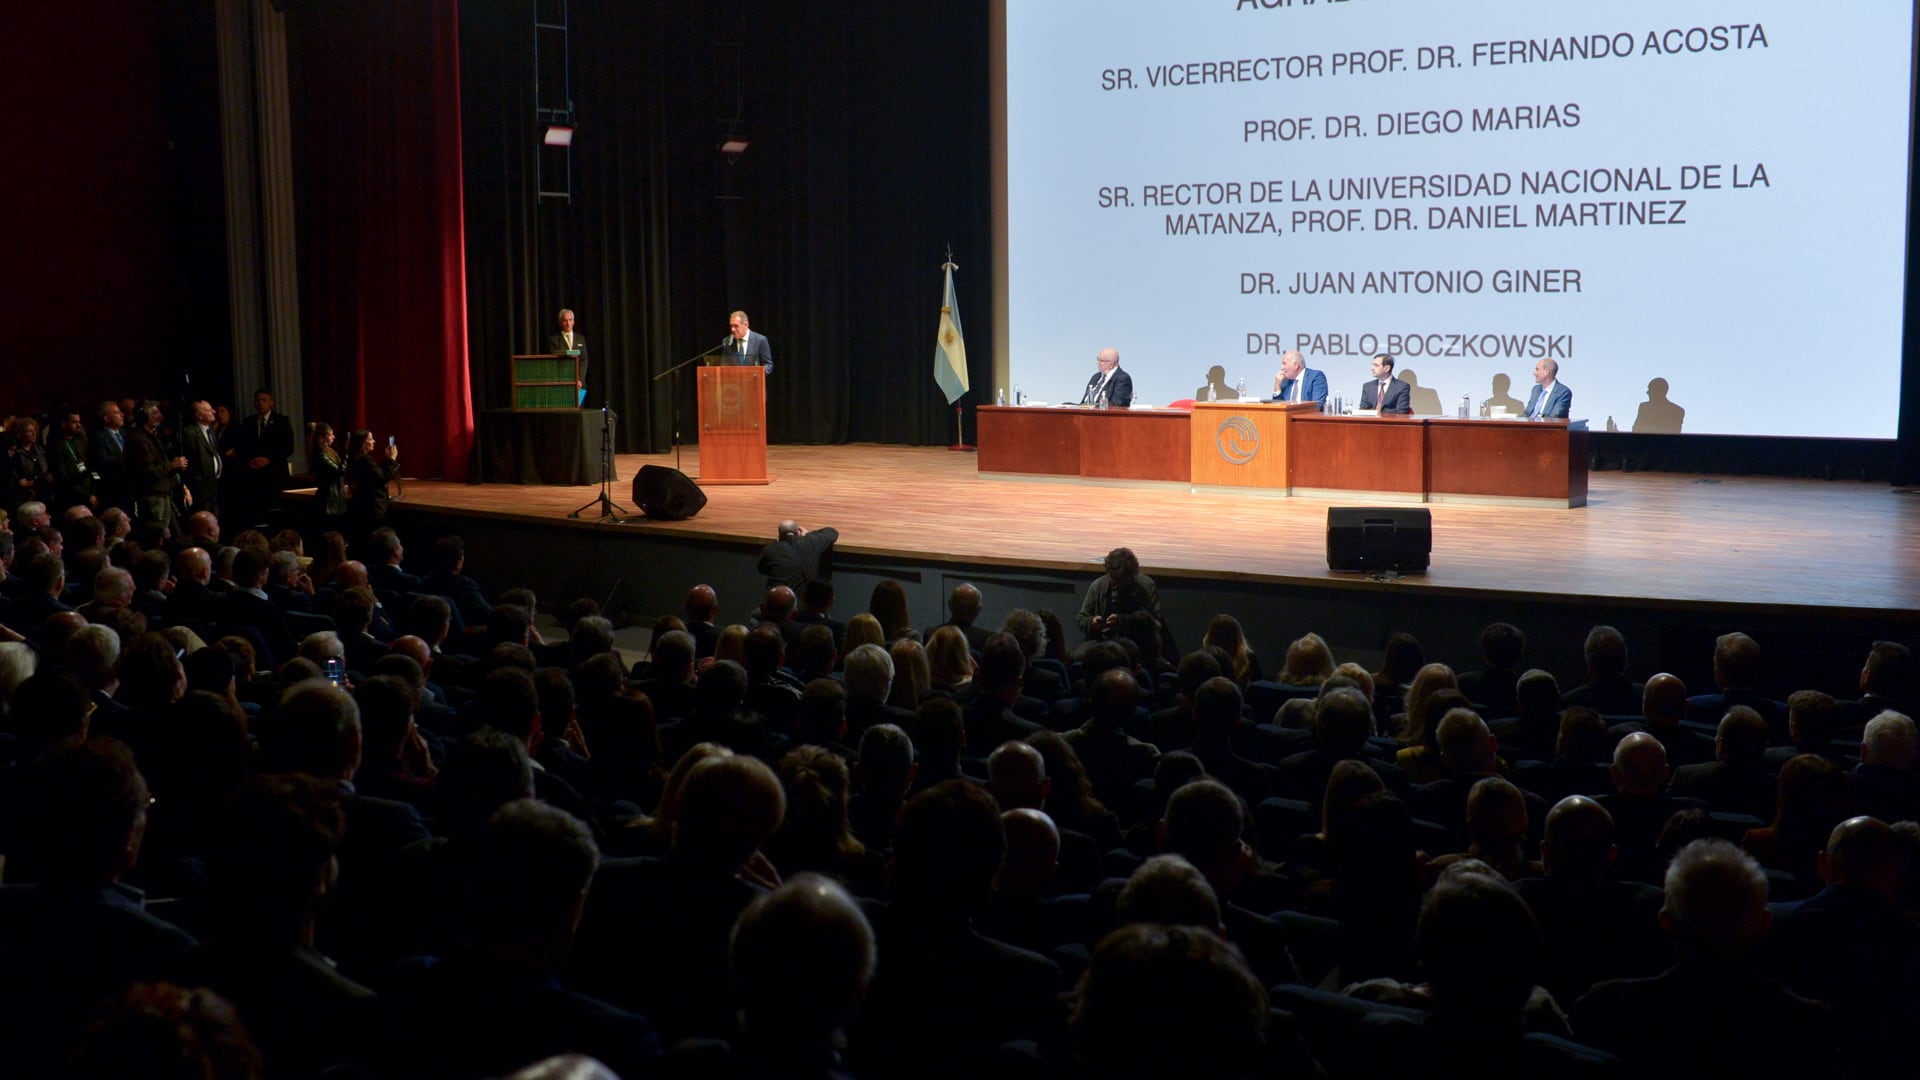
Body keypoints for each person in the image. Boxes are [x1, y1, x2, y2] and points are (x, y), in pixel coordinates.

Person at [225, 389, 294, 528]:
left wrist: (269, 459)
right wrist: (250, 460)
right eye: (258, 400)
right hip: (254, 475)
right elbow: (242, 446)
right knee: (256, 513)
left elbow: (288, 447)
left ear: (271, 402)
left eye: (264, 400)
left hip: (275, 474)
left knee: (275, 513)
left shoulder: (281, 421)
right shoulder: (248, 422)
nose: (260, 403)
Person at [123, 402, 188, 537]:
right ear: (144, 416)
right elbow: (146, 471)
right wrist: (172, 465)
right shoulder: (139, 440)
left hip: (162, 493)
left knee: (172, 533)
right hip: (152, 495)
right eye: (155, 413)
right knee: (158, 534)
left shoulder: (153, 436)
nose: (160, 417)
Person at [1077, 545, 1165, 643]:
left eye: (1121, 579)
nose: (1116, 582)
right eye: (1113, 578)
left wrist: (1123, 621)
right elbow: (1081, 619)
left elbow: (1156, 624)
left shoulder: (1145, 586)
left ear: (1131, 574)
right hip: (1102, 642)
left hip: (1136, 643)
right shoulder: (1099, 585)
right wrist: (1092, 622)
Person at [345, 429, 400, 539]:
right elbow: (382, 478)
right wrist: (392, 460)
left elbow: (377, 474)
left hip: (362, 506)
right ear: (362, 443)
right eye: (370, 439)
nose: (374, 441)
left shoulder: (356, 458)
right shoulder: (364, 460)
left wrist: (387, 459)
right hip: (371, 509)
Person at [756, 519, 837, 590]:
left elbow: (761, 569)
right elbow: (832, 532)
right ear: (798, 533)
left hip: (777, 601)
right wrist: (808, 534)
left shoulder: (770, 550)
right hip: (804, 602)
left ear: (779, 536)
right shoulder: (811, 543)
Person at [180, 400, 223, 519]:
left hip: (214, 485)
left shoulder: (210, 429)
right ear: (199, 415)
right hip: (200, 488)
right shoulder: (189, 433)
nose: (214, 412)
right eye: (209, 410)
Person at [310, 422, 348, 535]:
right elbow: (339, 470)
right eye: (330, 434)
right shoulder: (320, 454)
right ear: (322, 438)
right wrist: (347, 452)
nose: (333, 437)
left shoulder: (330, 451)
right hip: (328, 501)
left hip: (336, 498)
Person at [546, 307, 589, 391]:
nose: (568, 323)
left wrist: (580, 380)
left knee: (579, 404)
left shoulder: (580, 338)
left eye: (570, 320)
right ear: (560, 323)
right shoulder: (553, 340)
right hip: (562, 383)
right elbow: (553, 360)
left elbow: (584, 360)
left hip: (579, 384)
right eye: (565, 320)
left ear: (573, 322)